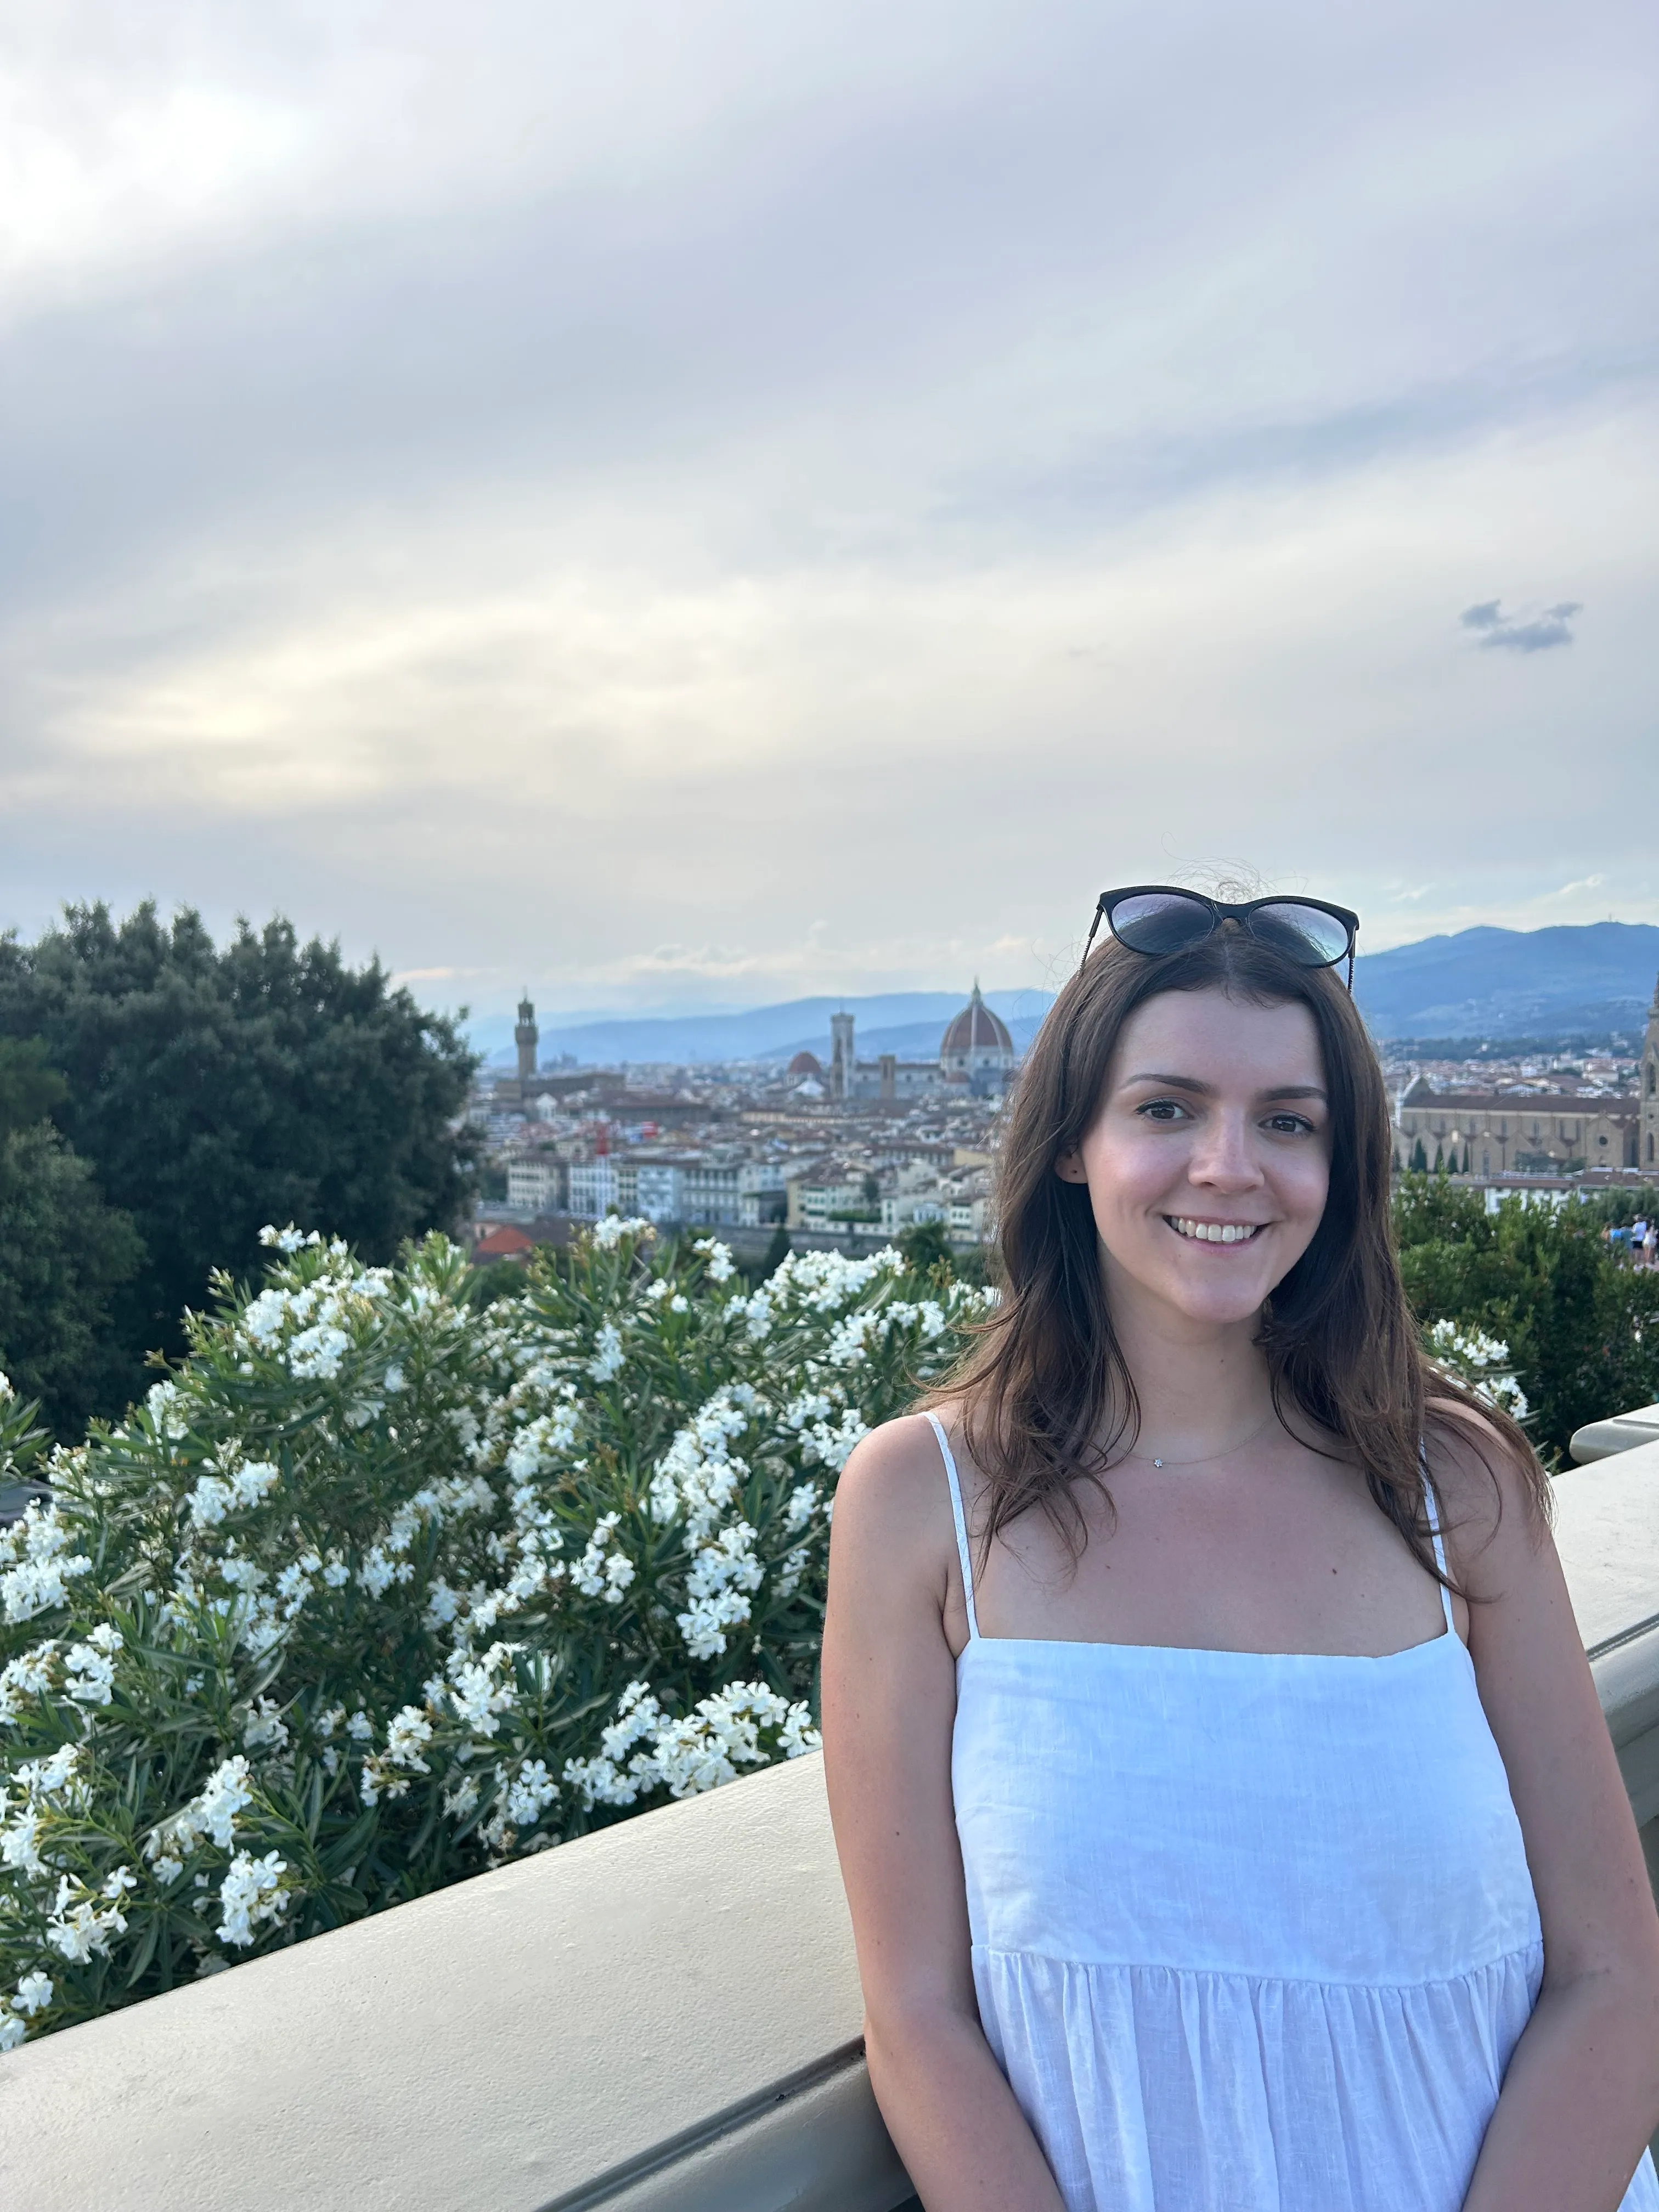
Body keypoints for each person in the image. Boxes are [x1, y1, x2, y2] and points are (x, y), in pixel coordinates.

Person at [822, 885, 1659, 2212]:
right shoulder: (920, 1504)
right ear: (1071, 1146)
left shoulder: (1456, 1484)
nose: (1230, 1164)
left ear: (1342, 1169)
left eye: (1289, 1121)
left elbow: (1614, 1973)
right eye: (1166, 1108)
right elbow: (916, 2017)